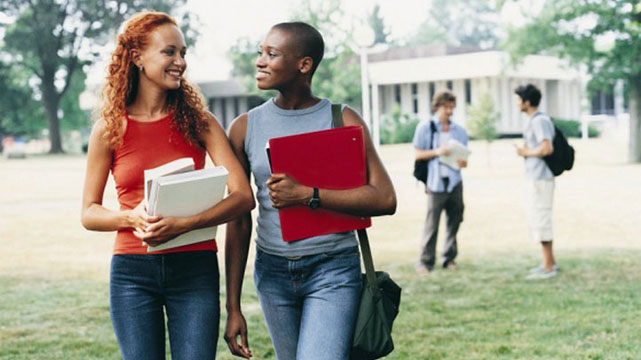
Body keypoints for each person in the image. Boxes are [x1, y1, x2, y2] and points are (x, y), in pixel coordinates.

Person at [80, 11, 254, 360]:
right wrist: (132, 218)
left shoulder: (201, 122)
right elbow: (89, 212)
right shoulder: (109, 129)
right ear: (137, 57)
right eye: (169, 52)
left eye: (183, 54)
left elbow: (243, 196)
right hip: (132, 274)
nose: (180, 62)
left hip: (195, 270)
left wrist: (186, 224)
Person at [223, 22, 397, 360]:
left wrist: (307, 194)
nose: (259, 61)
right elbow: (239, 221)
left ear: (304, 65)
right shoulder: (245, 127)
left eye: (271, 54)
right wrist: (232, 306)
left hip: (333, 269)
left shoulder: (342, 119)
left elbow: (385, 198)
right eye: (260, 52)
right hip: (272, 273)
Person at [413, 90, 469, 275]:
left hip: (454, 181)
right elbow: (418, 154)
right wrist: (438, 151)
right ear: (437, 106)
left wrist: (462, 162)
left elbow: (465, 160)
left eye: (452, 107)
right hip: (435, 182)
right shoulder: (425, 127)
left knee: (455, 219)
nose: (450, 111)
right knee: (432, 223)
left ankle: (449, 258)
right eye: (446, 107)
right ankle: (425, 261)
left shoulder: (459, 130)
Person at [514, 84, 558, 280]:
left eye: (519, 99)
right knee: (538, 217)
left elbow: (546, 148)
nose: (517, 103)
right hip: (536, 177)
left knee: (541, 219)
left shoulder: (539, 121)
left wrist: (525, 152)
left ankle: (548, 267)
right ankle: (549, 262)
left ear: (527, 102)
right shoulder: (534, 120)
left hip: (541, 178)